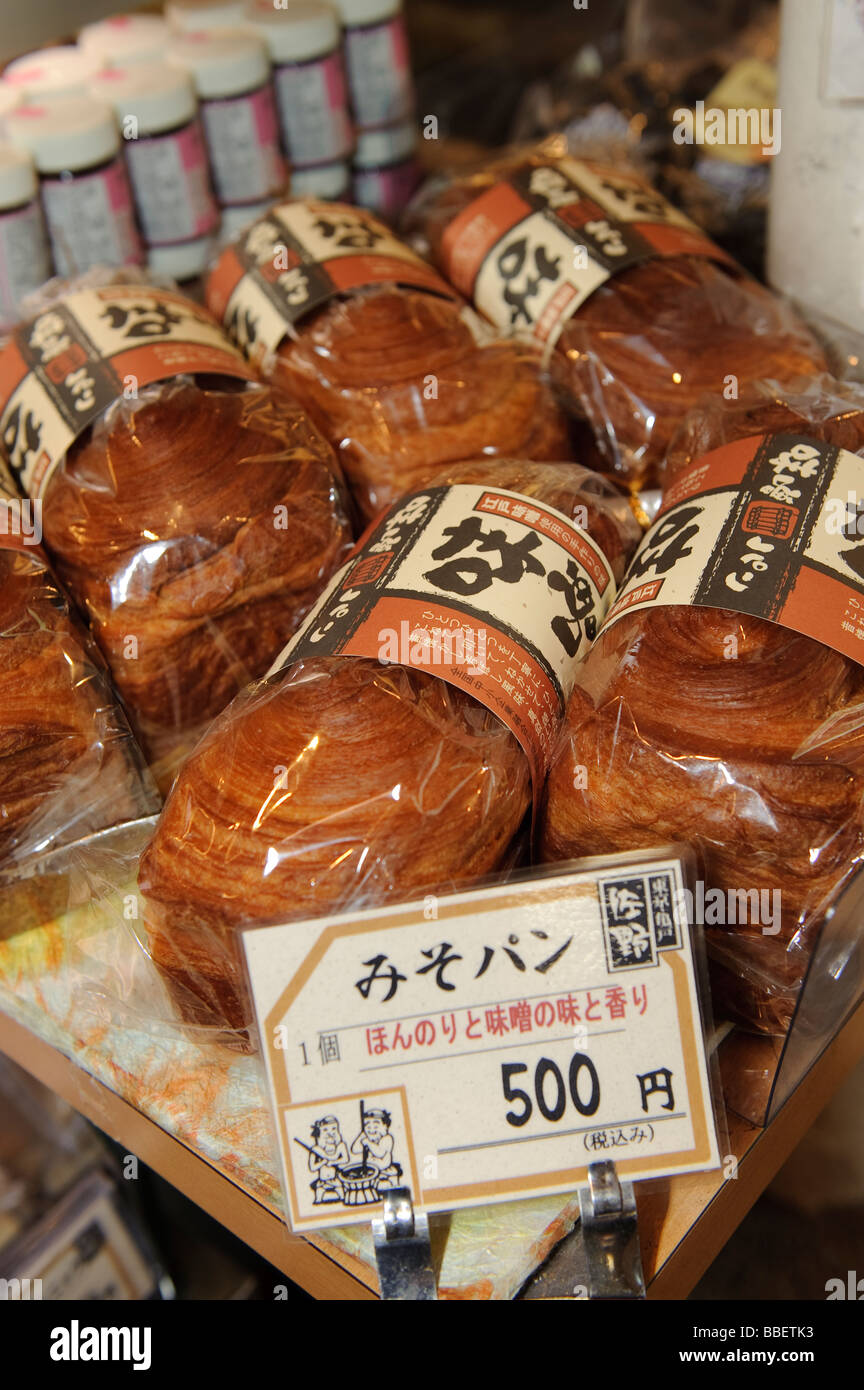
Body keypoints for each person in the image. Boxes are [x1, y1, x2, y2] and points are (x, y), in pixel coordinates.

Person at [351, 1109, 402, 1190]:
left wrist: (368, 1142)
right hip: (372, 1170)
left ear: (385, 1126)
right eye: (367, 1126)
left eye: (375, 1126)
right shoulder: (366, 1138)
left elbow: (380, 1153)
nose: (371, 1129)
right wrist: (362, 1135)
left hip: (385, 1169)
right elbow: (354, 1149)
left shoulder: (387, 1138)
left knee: (394, 1185)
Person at [308, 1115, 349, 1203]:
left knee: (343, 1197)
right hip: (322, 1181)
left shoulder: (340, 1146)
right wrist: (322, 1162)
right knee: (318, 1200)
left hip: (335, 1179)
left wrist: (333, 1162)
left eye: (333, 1128)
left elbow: (345, 1159)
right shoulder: (316, 1149)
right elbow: (312, 1168)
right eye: (325, 1130)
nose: (330, 1132)